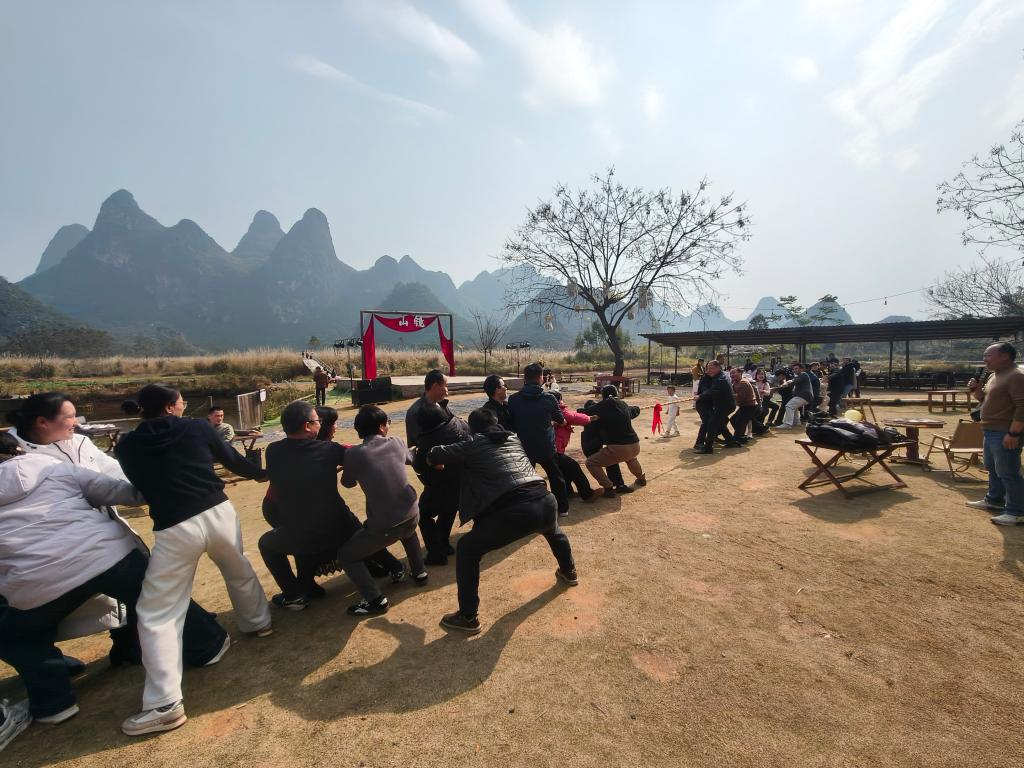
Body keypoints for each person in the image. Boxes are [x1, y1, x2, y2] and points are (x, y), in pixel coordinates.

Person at [6, 394, 228, 671]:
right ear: (42, 422)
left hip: (99, 537)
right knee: (141, 587)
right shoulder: (18, 455)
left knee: (134, 586)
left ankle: (130, 646)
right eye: (70, 416)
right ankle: (196, 641)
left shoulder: (79, 442)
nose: (76, 421)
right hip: (62, 549)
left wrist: (153, 487)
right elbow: (103, 488)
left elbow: (115, 472)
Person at [115, 384, 271, 737]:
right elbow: (232, 460)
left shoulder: (126, 445)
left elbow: (140, 485)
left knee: (158, 612)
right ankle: (258, 623)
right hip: (217, 510)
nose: (184, 405)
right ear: (171, 406)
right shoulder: (198, 427)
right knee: (238, 569)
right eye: (181, 401)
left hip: (174, 525)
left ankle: (163, 703)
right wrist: (261, 473)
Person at [0, 432, 152, 729]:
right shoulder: (50, 466)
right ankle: (205, 643)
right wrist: (148, 493)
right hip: (104, 555)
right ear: (18, 448)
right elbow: (113, 489)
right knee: (156, 593)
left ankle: (54, 703)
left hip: (35, 581)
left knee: (16, 636)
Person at [427, 408, 577, 635]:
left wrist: (427, 451)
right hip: (546, 500)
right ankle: (569, 571)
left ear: (472, 429)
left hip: (515, 511)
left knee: (466, 549)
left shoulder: (473, 443)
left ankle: (467, 616)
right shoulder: (514, 438)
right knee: (553, 531)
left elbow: (436, 455)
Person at [339, 406, 428, 616]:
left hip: (385, 526)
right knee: (408, 531)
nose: (389, 426)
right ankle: (419, 573)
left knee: (346, 555)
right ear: (381, 426)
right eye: (388, 422)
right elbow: (411, 458)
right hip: (412, 514)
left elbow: (347, 483)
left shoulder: (353, 453)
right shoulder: (396, 442)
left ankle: (375, 600)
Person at [966, 342, 1024, 526]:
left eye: (988, 355)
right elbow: (983, 400)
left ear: (1005, 356)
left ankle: (1017, 511)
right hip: (990, 430)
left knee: (1008, 472)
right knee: (993, 467)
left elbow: (1022, 406)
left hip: (1005, 431)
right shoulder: (994, 375)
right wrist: (976, 389)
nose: (985, 359)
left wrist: (1014, 434)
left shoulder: (1017, 376)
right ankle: (994, 499)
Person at [508, 362, 569, 516]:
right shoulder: (549, 398)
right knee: (556, 477)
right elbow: (561, 420)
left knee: (525, 480)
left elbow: (512, 422)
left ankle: (526, 510)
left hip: (524, 447)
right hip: (546, 446)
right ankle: (562, 508)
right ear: (541, 378)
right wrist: (554, 423)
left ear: (525, 378)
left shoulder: (514, 399)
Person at [413, 402, 471, 565]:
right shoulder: (460, 425)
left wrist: (414, 457)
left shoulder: (428, 440)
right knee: (449, 509)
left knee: (423, 515)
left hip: (440, 486)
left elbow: (420, 466)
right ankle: (443, 543)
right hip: (462, 482)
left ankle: (436, 554)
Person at [581, 385, 646, 495]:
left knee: (590, 463)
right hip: (635, 445)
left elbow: (586, 412)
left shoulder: (604, 405)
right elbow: (634, 410)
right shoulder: (623, 404)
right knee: (630, 458)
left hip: (618, 448)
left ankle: (608, 487)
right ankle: (641, 479)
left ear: (604, 395)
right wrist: (637, 408)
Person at [551, 392, 597, 502]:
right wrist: (590, 418)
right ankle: (587, 494)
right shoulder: (559, 411)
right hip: (554, 448)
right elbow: (574, 417)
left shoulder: (544, 410)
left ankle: (567, 492)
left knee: (563, 469)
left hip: (552, 447)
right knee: (573, 467)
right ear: (559, 400)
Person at [579, 400, 629, 494]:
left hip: (589, 447)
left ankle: (613, 486)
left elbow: (579, 411)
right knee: (608, 462)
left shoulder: (585, 417)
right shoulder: (597, 418)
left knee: (609, 462)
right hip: (592, 447)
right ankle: (614, 487)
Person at [694, 360, 738, 453]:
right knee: (718, 422)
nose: (709, 370)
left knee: (712, 424)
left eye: (711, 368)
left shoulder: (720, 379)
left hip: (724, 406)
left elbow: (712, 391)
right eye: (708, 368)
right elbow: (708, 390)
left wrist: (700, 396)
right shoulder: (715, 377)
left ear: (718, 368)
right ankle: (731, 441)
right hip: (721, 405)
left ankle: (708, 448)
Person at [405, 369, 450, 448]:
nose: (447, 392)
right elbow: (421, 444)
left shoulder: (442, 404)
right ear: (435, 386)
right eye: (446, 386)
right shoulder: (416, 412)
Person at [729, 368, 768, 442]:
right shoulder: (736, 382)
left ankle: (739, 437)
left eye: (734, 373)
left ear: (740, 373)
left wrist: (730, 396)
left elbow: (741, 397)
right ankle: (760, 429)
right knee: (734, 419)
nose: (731, 375)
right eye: (730, 373)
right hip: (745, 406)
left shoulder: (742, 383)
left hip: (749, 406)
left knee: (741, 421)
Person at [775, 363, 813, 429]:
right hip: (804, 396)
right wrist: (786, 383)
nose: (795, 370)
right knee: (793, 407)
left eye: (796, 368)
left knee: (788, 406)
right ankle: (796, 422)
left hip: (804, 396)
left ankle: (787, 424)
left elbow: (794, 381)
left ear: (801, 369)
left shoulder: (803, 374)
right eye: (794, 369)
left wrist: (786, 384)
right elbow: (791, 380)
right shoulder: (798, 376)